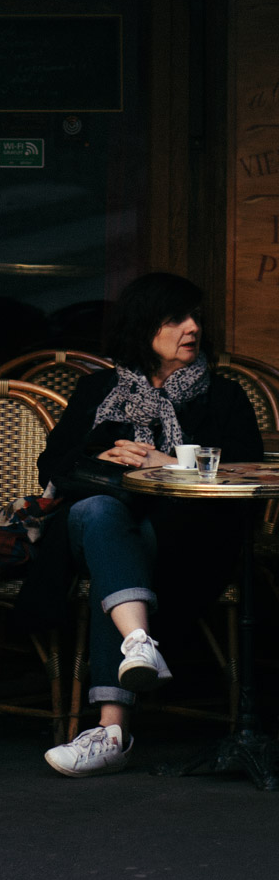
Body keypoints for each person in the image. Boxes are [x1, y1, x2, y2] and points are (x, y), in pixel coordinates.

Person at [16, 272, 263, 778]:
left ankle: (112, 725)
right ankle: (135, 657)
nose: (192, 327)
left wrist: (166, 463)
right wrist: (103, 454)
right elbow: (54, 467)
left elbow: (247, 474)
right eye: (176, 318)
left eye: (195, 317)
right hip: (99, 529)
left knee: (111, 539)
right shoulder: (99, 389)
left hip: (187, 537)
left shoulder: (224, 396)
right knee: (98, 513)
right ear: (143, 327)